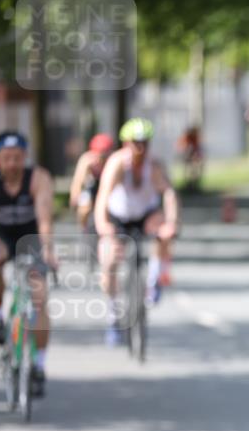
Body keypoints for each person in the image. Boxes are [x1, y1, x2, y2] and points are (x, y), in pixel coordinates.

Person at [94, 118, 181, 346]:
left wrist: (171, 222)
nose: (140, 148)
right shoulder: (117, 164)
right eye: (135, 143)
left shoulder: (154, 165)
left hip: (145, 214)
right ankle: (114, 316)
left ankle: (154, 280)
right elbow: (102, 197)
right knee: (109, 260)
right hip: (119, 215)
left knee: (164, 232)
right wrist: (104, 227)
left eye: (144, 143)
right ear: (126, 143)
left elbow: (169, 194)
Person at [0, 130, 58, 397]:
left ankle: (38, 365)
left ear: (25, 157)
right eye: (7, 158)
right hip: (1, 236)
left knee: (39, 297)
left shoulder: (38, 178)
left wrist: (48, 249)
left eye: (18, 158)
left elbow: (44, 219)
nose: (13, 164)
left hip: (30, 237)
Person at [68, 133, 114, 232]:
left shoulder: (113, 161)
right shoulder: (86, 160)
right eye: (97, 154)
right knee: (84, 206)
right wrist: (75, 198)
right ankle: (84, 229)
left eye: (103, 155)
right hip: (92, 186)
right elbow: (77, 182)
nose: (99, 158)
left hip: (107, 187)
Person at [176, 126, 204, 192]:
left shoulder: (195, 139)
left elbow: (198, 150)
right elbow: (182, 149)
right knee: (189, 169)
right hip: (186, 156)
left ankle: (194, 184)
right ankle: (189, 184)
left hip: (192, 157)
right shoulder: (185, 138)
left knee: (196, 167)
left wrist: (196, 157)